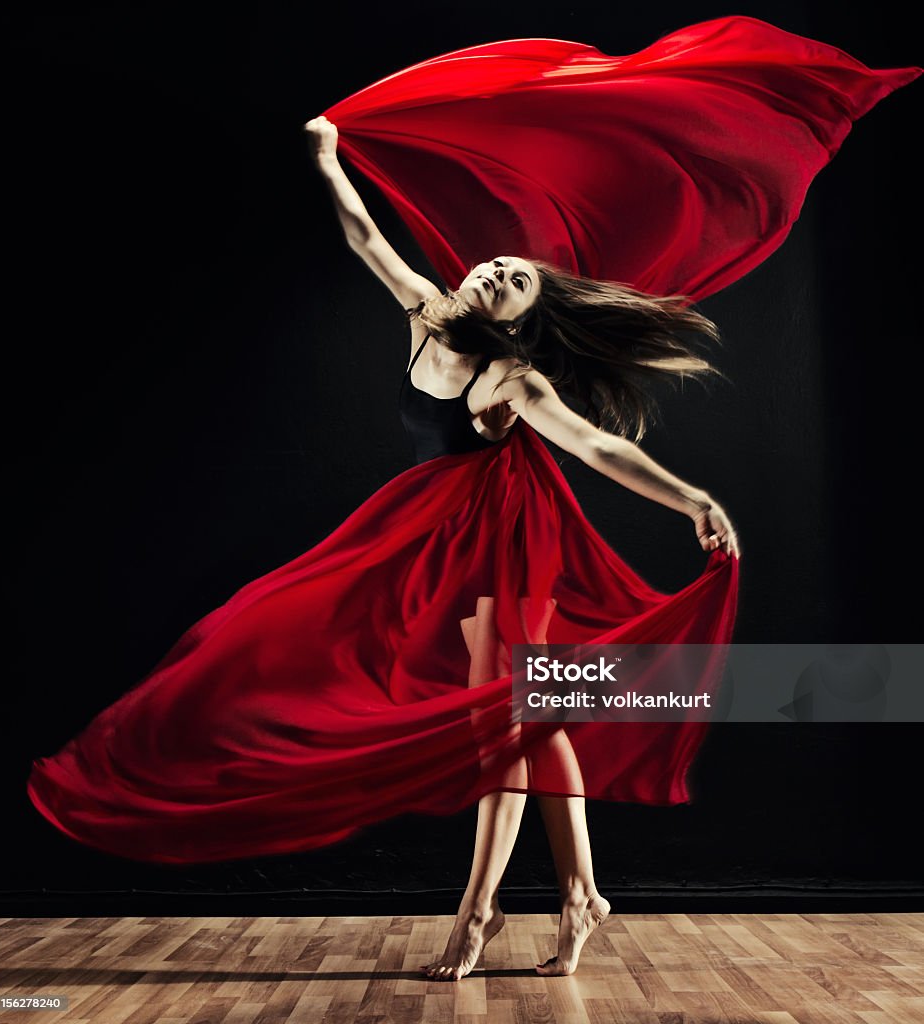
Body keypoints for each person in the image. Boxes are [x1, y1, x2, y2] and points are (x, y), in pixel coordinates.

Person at [305, 114, 740, 981]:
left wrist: (691, 497)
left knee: (502, 719)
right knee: (526, 715)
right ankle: (582, 896)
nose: (498, 271)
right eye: (498, 267)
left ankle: (476, 914)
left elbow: (596, 447)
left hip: (509, 543)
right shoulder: (425, 313)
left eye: (512, 284)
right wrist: (326, 155)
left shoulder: (510, 378)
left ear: (516, 325)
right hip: (445, 542)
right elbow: (363, 235)